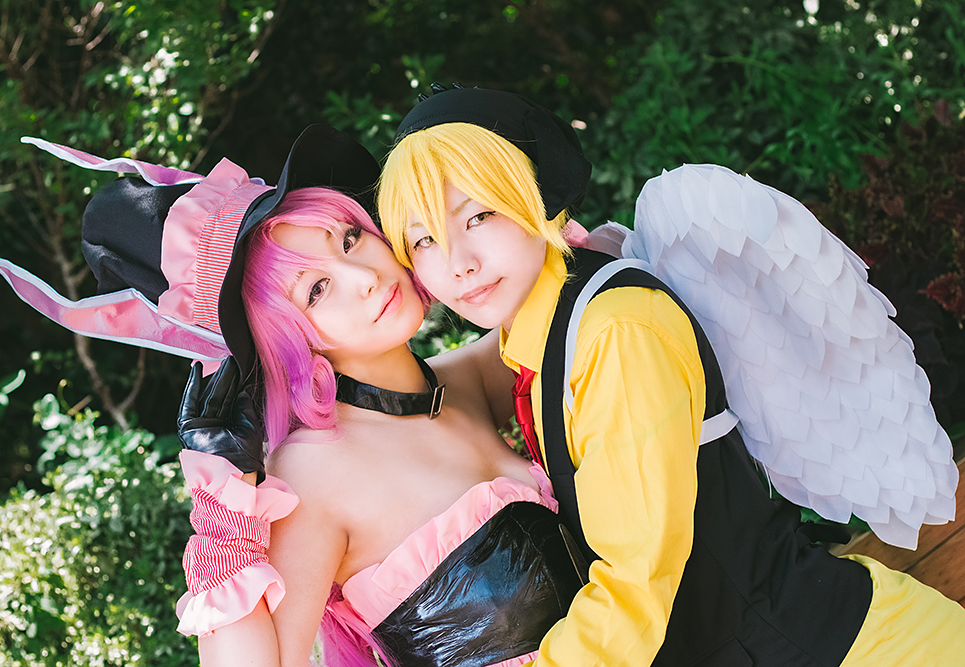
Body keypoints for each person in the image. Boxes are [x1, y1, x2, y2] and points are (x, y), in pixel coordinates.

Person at [376, 85, 965, 666]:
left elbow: (634, 580)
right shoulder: (540, 332)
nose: (457, 263)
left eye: (478, 216)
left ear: (533, 193)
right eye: (424, 240)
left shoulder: (613, 330)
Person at [0, 125, 589, 667]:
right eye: (317, 290)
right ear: (282, 334)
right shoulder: (312, 473)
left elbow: (572, 313)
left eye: (350, 239)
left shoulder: (466, 382)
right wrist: (224, 503)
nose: (366, 278)